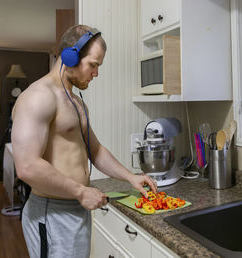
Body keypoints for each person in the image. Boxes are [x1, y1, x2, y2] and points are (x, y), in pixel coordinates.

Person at [11, 25, 157, 258]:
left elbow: (95, 151)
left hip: (75, 209)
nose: (96, 73)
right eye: (93, 65)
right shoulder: (39, 97)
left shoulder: (76, 103)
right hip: (52, 214)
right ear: (71, 56)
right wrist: (80, 191)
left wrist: (132, 177)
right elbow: (27, 166)